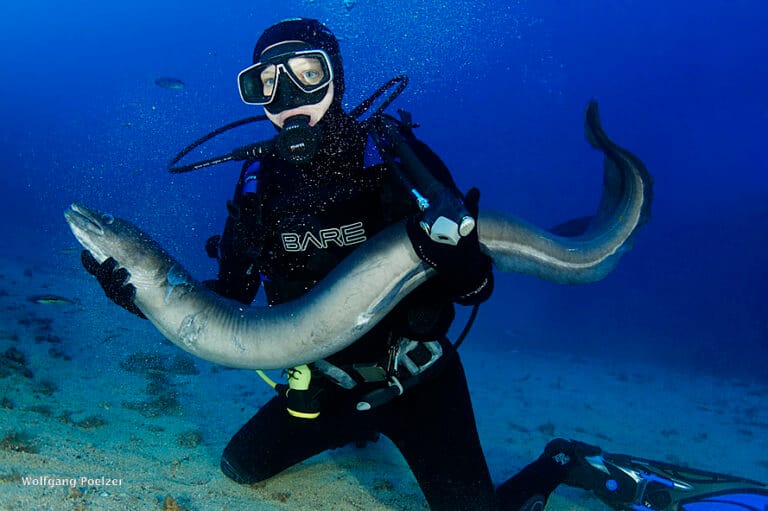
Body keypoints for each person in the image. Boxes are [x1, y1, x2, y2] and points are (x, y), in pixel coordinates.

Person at [82, 18, 768, 511]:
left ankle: (561, 460)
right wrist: (138, 294)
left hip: (418, 379)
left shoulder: (394, 169)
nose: (289, 93)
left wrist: (462, 258)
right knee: (238, 467)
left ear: (336, 76)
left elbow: (475, 285)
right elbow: (224, 301)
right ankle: (358, 428)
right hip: (323, 387)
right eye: (266, 81)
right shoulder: (256, 201)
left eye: (306, 73)